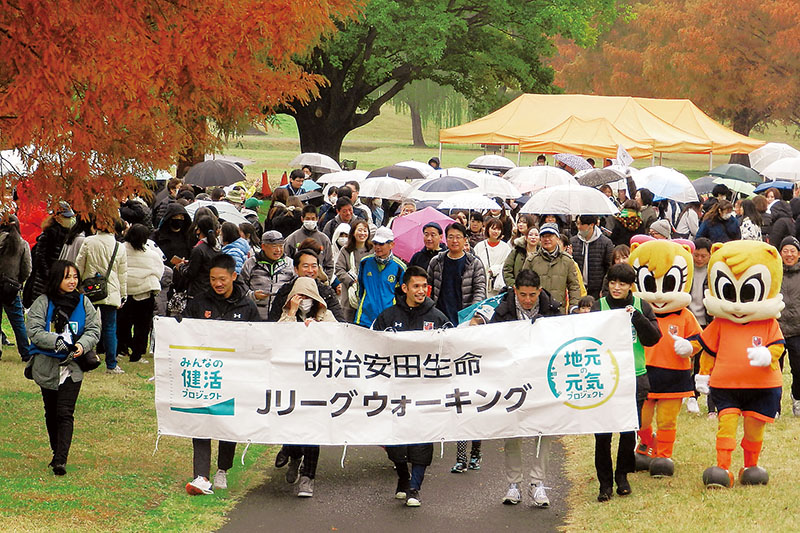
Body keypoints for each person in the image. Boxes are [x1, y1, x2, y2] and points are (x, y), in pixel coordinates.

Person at [183, 254, 260, 496]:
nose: (218, 283)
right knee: (201, 421)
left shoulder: (247, 306)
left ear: (233, 277)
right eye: (213, 279)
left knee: (228, 423)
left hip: (234, 375)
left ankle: (223, 469)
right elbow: (182, 330)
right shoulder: (199, 302)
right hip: (205, 374)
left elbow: (259, 338)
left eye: (222, 279)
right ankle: (201, 475)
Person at [372, 266, 449, 507]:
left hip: (425, 391)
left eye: (424, 287)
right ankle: (403, 477)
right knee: (395, 441)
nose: (421, 291)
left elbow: (452, 347)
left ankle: (415, 487)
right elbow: (372, 346)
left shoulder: (437, 317)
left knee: (422, 438)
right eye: (415, 286)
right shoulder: (387, 316)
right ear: (404, 288)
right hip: (396, 391)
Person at [489, 271, 561, 507]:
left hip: (542, 379)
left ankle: (538, 482)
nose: (527, 300)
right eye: (523, 295)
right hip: (512, 380)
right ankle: (514, 484)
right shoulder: (502, 313)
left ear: (539, 291)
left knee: (544, 432)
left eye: (532, 295)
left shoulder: (552, 311)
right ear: (515, 292)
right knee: (513, 432)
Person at [592, 263, 661, 501]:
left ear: (630, 285)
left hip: (635, 376)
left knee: (628, 431)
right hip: (604, 378)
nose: (616, 288)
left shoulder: (642, 306)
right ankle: (604, 484)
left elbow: (654, 338)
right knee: (602, 434)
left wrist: (637, 318)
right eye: (613, 282)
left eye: (622, 284)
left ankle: (622, 476)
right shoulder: (598, 306)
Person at [26, 260, 101, 476]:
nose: (72, 281)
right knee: (50, 412)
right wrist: (56, 340)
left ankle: (61, 460)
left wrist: (81, 345)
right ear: (57, 278)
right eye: (67, 277)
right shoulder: (43, 302)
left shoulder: (83, 302)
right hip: (47, 365)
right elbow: (35, 330)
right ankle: (55, 451)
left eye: (75, 277)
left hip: (73, 366)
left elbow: (94, 329)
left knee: (65, 412)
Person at [427, 222, 486, 471]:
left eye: (458, 237)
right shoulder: (436, 263)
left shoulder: (474, 264)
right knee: (450, 393)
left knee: (471, 393)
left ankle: (475, 451)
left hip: (466, 333)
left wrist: (470, 320)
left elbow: (480, 294)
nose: (453, 241)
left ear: (465, 240)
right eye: (449, 237)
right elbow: (429, 292)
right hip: (441, 331)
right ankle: (460, 455)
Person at [274, 276, 338, 498]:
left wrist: (317, 330)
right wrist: (292, 314)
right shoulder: (287, 315)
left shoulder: (326, 316)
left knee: (313, 431)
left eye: (308, 297)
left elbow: (336, 339)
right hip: (291, 383)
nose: (304, 301)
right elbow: (279, 338)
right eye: (299, 297)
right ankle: (292, 454)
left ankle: (308, 477)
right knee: (291, 426)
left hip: (317, 384)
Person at [75, 218, 128, 374]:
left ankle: (85, 358)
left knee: (85, 326)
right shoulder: (119, 247)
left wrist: (78, 285)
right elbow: (122, 274)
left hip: (89, 289)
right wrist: (123, 295)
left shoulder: (89, 242)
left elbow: (79, 265)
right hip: (110, 291)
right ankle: (111, 364)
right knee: (110, 328)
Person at [117, 224, 162, 364]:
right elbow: (159, 271)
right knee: (142, 327)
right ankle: (137, 354)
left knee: (122, 324)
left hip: (124, 293)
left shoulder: (119, 250)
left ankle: (121, 348)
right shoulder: (152, 255)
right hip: (145, 293)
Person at [268, 249, 345, 322]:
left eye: (314, 266)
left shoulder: (326, 292)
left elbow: (339, 321)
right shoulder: (285, 291)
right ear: (296, 269)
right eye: (305, 266)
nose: (310, 270)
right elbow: (274, 323)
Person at [24, 201, 74, 307]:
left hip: (59, 279)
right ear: (57, 217)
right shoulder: (49, 234)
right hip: (44, 282)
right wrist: (50, 275)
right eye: (66, 217)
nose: (68, 220)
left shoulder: (68, 234)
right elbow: (40, 258)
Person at [526, 223, 581, 314]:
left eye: (550, 236)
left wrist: (573, 307)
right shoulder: (532, 260)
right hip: (536, 311)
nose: (547, 239)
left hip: (559, 311)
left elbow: (574, 286)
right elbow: (524, 285)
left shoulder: (567, 260)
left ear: (557, 238)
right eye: (544, 236)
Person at [355, 227, 406, 327]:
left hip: (389, 317)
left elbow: (402, 294)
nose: (377, 247)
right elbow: (360, 287)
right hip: (365, 317)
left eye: (381, 244)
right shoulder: (365, 262)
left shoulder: (400, 267)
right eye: (375, 243)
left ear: (392, 244)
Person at [239, 230, 294, 320]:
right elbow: (241, 286)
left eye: (281, 246)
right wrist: (253, 295)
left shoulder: (289, 264)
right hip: (255, 316)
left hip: (281, 318)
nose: (278, 250)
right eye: (274, 246)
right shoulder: (251, 263)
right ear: (263, 246)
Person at [0, 214, 32, 361]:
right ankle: (26, 352)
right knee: (18, 323)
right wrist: (18, 281)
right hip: (11, 287)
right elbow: (27, 269)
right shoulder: (23, 244)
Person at [688, 238, 713, 417]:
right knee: (685, 359)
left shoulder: (713, 272)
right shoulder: (686, 270)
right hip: (689, 319)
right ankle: (686, 393)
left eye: (703, 256)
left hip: (705, 320)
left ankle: (694, 395)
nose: (699, 259)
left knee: (701, 361)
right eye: (696, 255)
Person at [334, 220, 372, 322]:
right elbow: (338, 269)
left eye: (365, 230)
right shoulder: (345, 250)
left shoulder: (372, 249)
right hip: (350, 293)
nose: (362, 233)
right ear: (353, 232)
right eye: (359, 230)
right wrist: (351, 281)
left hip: (369, 291)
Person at [778, 236, 800, 416]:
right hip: (776, 330)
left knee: (799, 368)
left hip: (797, 329)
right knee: (773, 370)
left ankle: (797, 399)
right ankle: (772, 405)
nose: (789, 254)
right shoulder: (774, 272)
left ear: (798, 254)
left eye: (792, 251)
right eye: (785, 251)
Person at [283, 205, 335, 280]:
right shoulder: (292, 238)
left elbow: (329, 264)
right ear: (302, 219)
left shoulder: (324, 239)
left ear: (317, 219)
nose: (310, 221)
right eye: (307, 219)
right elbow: (286, 261)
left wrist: (326, 281)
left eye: (313, 219)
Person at [570, 215, 614, 299]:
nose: (579, 227)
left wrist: (605, 288)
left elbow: (609, 267)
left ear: (591, 225)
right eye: (577, 224)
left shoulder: (606, 243)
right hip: (577, 287)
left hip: (596, 289)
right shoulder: (573, 241)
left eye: (581, 224)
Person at [176, 215, 219, 299]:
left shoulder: (199, 249)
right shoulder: (217, 248)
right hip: (211, 291)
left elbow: (191, 273)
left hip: (197, 291)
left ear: (198, 230)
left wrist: (181, 266)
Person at [473, 218, 512, 296]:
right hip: (481, 284)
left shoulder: (506, 248)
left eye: (498, 229)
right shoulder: (479, 246)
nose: (496, 232)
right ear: (488, 229)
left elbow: (507, 265)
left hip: (498, 285)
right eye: (493, 229)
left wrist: (495, 269)